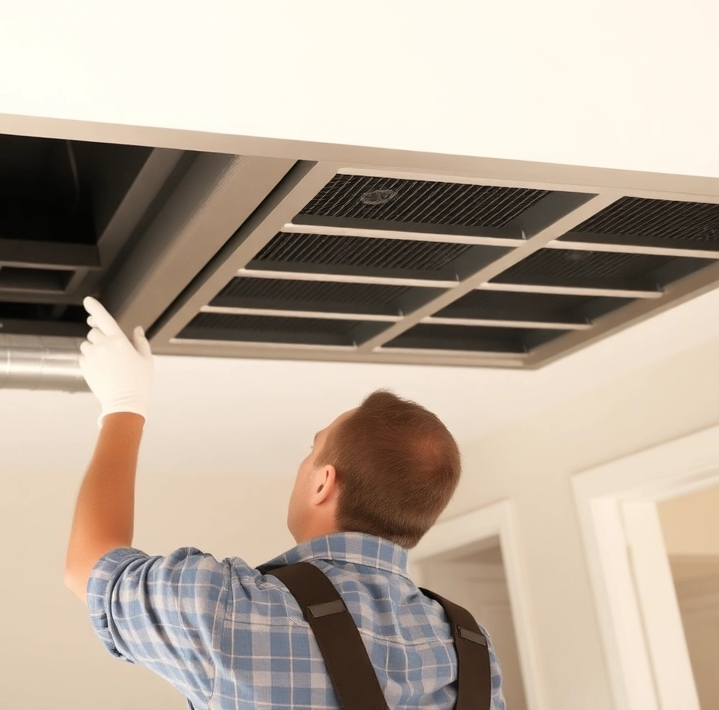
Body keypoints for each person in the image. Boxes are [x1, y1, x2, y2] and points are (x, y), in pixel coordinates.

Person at [64, 297, 505, 709]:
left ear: (323, 484)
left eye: (313, 450)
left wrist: (123, 404)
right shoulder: (471, 650)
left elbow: (91, 565)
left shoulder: (231, 610)